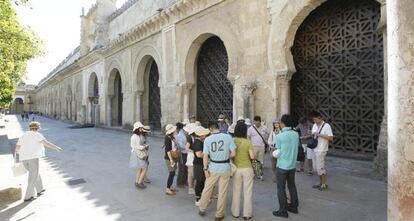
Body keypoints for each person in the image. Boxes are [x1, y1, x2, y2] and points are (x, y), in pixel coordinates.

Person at [15, 121, 64, 201]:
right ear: (37, 128)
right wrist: (57, 148)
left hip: (23, 158)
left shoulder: (23, 135)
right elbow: (47, 143)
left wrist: (19, 153)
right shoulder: (37, 135)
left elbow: (17, 147)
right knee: (32, 177)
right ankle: (28, 196)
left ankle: (40, 189)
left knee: (34, 173)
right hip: (33, 158)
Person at [198, 122, 236, 221]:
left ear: (210, 129)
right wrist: (225, 156)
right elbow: (233, 154)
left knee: (207, 189)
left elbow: (205, 156)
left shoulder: (207, 139)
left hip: (213, 167)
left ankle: (202, 208)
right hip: (225, 168)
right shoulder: (228, 137)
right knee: (222, 192)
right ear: (218, 128)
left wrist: (205, 169)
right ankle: (219, 214)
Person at [272, 114, 299, 218]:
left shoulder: (280, 136)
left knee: (281, 188)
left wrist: (273, 151)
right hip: (292, 165)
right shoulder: (295, 134)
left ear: (283, 123)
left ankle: (283, 210)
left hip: (282, 165)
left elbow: (277, 153)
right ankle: (294, 206)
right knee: (292, 186)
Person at [231, 122, 255, 220]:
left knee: (236, 191)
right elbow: (252, 156)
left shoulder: (232, 140)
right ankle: (247, 214)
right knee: (248, 192)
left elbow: (231, 154)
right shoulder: (248, 142)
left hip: (236, 169)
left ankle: (235, 213)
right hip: (247, 168)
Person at [310, 111, 333, 191]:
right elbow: (313, 135)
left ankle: (324, 183)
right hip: (314, 148)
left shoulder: (326, 126)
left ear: (320, 118)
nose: (315, 122)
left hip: (322, 149)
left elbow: (330, 138)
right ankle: (320, 182)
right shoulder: (314, 125)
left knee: (320, 167)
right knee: (316, 167)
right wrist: (313, 134)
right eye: (313, 120)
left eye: (316, 120)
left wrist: (319, 135)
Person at [247, 116, 269, 180]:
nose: (257, 124)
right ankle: (253, 174)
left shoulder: (264, 128)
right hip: (253, 146)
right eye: (255, 123)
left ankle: (260, 174)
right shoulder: (251, 129)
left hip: (262, 146)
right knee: (253, 161)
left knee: (260, 161)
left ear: (260, 122)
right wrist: (249, 146)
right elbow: (248, 137)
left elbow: (269, 133)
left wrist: (266, 140)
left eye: (258, 123)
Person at [192, 126, 210, 206]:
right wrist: (207, 155)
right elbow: (199, 154)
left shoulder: (199, 141)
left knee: (202, 181)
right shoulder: (197, 142)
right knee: (199, 182)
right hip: (198, 164)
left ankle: (201, 197)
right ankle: (198, 199)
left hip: (200, 164)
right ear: (201, 135)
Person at [129, 122, 150, 189]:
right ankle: (139, 182)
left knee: (140, 169)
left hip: (139, 153)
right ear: (137, 129)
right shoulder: (134, 136)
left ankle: (137, 182)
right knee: (144, 168)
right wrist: (142, 147)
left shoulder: (138, 135)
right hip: (138, 153)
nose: (141, 129)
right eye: (140, 128)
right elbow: (132, 145)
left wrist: (143, 146)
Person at [164, 124, 179, 195]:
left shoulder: (172, 137)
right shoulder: (167, 138)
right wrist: (171, 160)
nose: (175, 130)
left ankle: (170, 186)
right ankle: (167, 189)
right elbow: (168, 150)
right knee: (171, 173)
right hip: (169, 158)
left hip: (174, 156)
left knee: (173, 173)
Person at [184, 123, 197, 195]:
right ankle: (190, 188)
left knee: (193, 173)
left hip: (194, 157)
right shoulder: (190, 137)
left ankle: (192, 186)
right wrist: (194, 151)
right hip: (191, 157)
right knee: (191, 174)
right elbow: (187, 148)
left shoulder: (193, 137)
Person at [267, 118, 281, 182]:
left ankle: (279, 176)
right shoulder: (272, 132)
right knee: (273, 164)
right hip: (273, 149)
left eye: (277, 123)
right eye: (275, 123)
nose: (276, 124)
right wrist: (271, 145)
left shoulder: (282, 131)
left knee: (279, 163)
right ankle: (275, 175)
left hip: (279, 149)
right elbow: (269, 140)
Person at [176, 122, 188, 187]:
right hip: (182, 153)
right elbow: (181, 145)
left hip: (185, 152)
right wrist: (187, 147)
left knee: (185, 167)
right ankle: (180, 182)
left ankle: (184, 181)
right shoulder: (180, 135)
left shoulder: (182, 133)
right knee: (182, 168)